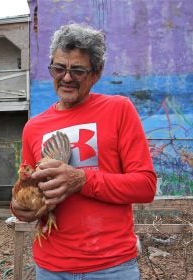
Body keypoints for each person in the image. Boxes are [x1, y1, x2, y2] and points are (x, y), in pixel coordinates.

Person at [10, 23, 157, 279]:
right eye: (59, 68)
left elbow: (145, 186)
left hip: (111, 267)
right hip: (50, 267)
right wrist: (18, 207)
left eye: (77, 70)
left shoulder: (119, 110)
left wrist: (82, 180)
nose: (66, 78)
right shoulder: (33, 127)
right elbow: (28, 184)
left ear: (96, 72)